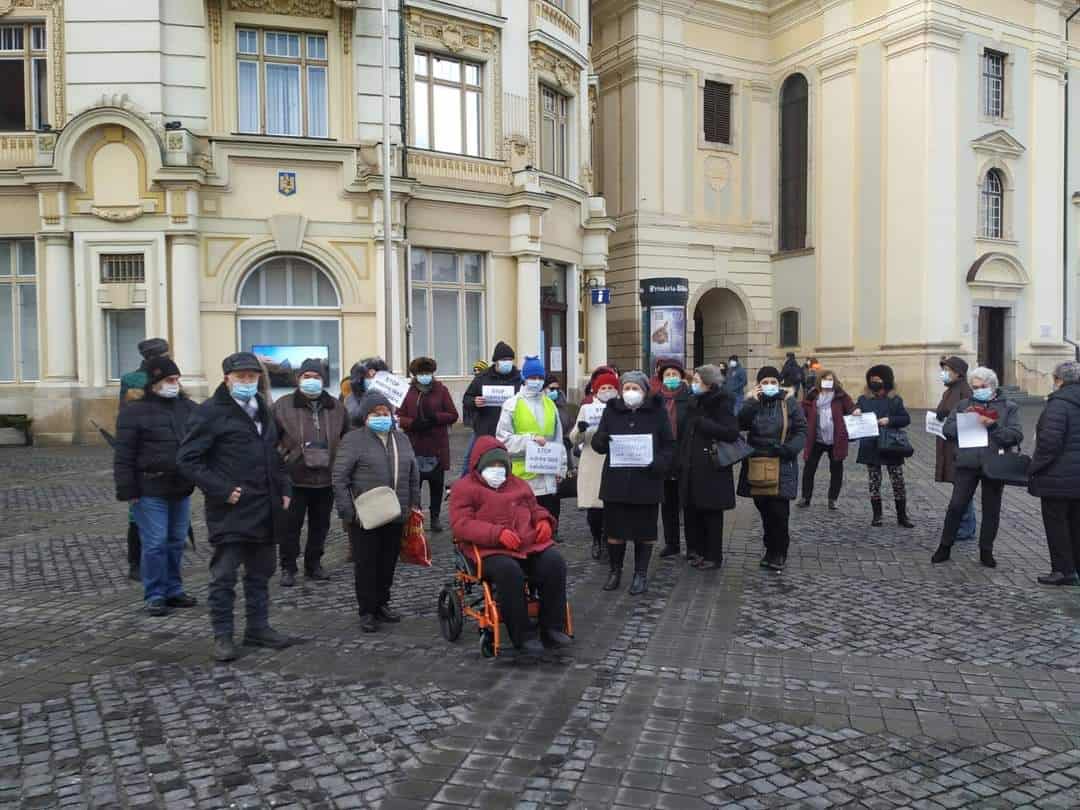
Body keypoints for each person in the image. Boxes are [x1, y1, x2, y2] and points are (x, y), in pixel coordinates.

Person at [177, 352, 293, 663]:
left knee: (260, 573)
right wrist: (222, 490)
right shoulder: (210, 413)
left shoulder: (263, 411)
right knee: (224, 576)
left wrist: (284, 488)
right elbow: (188, 460)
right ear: (227, 378)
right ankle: (223, 636)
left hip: (265, 506)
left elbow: (274, 455)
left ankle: (258, 628)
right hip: (231, 508)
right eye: (240, 377)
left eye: (251, 377)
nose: (246, 382)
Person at [450, 437, 569, 659]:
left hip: (526, 544)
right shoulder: (464, 488)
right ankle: (522, 635)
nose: (496, 470)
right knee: (509, 572)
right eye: (491, 466)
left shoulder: (519, 484)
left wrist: (544, 521)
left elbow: (535, 509)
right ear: (479, 465)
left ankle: (552, 626)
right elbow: (461, 525)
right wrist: (497, 534)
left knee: (554, 562)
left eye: (500, 466)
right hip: (488, 550)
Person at [114, 355, 199, 616]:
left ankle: (173, 590)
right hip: (149, 488)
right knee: (154, 542)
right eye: (168, 380)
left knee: (175, 541)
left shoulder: (189, 409)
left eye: (176, 379)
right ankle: (155, 594)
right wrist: (127, 489)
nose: (174, 384)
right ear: (154, 382)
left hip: (180, 486)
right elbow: (124, 455)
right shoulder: (133, 412)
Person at [332, 392, 420, 632]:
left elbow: (413, 473)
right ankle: (367, 610)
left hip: (396, 512)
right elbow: (340, 478)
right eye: (375, 413)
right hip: (365, 515)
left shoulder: (401, 439)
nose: (382, 416)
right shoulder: (353, 440)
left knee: (388, 561)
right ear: (365, 416)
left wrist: (414, 503)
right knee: (366, 564)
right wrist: (348, 512)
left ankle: (382, 603)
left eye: (385, 412)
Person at [592, 370, 676, 595]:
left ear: (645, 391)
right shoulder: (611, 411)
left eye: (635, 388)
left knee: (644, 531)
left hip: (646, 481)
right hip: (616, 481)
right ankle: (615, 571)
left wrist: (658, 462)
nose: (630, 392)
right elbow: (599, 444)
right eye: (626, 388)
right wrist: (600, 439)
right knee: (614, 530)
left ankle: (640, 574)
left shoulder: (657, 413)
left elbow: (669, 446)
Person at [932, 367, 1023, 568]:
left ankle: (986, 551)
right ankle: (945, 546)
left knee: (991, 509)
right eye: (975, 387)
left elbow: (1015, 435)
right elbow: (947, 430)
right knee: (956, 505)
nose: (978, 390)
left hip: (995, 465)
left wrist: (992, 425)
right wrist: (966, 423)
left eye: (982, 386)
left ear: (992, 386)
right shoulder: (964, 404)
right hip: (967, 462)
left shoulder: (1009, 407)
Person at [271, 358, 349, 587]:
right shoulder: (282, 405)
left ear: (323, 380)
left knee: (321, 526)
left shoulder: (337, 407)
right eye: (307, 377)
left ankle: (314, 564)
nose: (311, 381)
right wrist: (284, 457)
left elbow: (347, 435)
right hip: (293, 478)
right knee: (290, 527)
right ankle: (288, 567)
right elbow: (270, 440)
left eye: (316, 377)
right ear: (298, 379)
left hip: (326, 479)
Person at [738, 366, 807, 571]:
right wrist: (751, 402)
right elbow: (740, 424)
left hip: (782, 462)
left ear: (779, 383)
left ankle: (780, 552)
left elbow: (801, 429)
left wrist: (789, 449)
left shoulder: (789, 402)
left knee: (779, 512)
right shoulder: (753, 402)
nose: (769, 386)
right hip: (757, 463)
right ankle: (769, 549)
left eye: (772, 382)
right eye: (765, 382)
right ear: (759, 385)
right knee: (765, 510)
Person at [118, 337, 171, 581]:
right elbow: (127, 413)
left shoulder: (169, 377)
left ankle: (142, 563)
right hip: (143, 452)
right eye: (164, 353)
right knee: (137, 515)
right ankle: (135, 562)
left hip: (165, 450)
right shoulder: (133, 380)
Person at [679, 365, 739, 569]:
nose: (693, 384)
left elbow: (731, 432)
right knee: (694, 511)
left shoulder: (721, 402)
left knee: (711, 514)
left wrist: (703, 423)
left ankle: (714, 556)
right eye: (693, 380)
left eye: (697, 380)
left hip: (712, 467)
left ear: (709, 383)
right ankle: (698, 551)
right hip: (692, 465)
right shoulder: (693, 401)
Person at [496, 356, 566, 525]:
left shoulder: (550, 404)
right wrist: (530, 440)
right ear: (524, 378)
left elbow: (558, 439)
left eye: (540, 378)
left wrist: (561, 468)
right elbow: (502, 440)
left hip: (548, 477)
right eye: (533, 377)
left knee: (547, 527)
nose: (537, 381)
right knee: (524, 528)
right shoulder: (511, 404)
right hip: (522, 479)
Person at [1030, 362, 1080, 585]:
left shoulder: (1058, 404)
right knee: (1076, 524)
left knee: (1057, 525)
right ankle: (1075, 568)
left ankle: (1063, 570)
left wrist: (1034, 467)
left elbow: (1049, 442)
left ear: (1059, 379)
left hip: (1057, 477)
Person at [398, 356, 458, 533]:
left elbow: (453, 414)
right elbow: (399, 416)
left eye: (428, 373)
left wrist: (436, 418)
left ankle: (435, 517)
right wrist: (412, 423)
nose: (425, 376)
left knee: (436, 486)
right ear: (415, 375)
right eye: (422, 373)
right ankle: (415, 518)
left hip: (436, 446)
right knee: (414, 487)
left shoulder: (441, 390)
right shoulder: (407, 392)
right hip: (414, 446)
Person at [855, 365, 914, 528]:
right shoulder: (863, 399)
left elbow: (905, 419)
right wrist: (856, 413)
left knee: (898, 480)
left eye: (878, 380)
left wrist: (890, 420)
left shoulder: (895, 399)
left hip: (891, 445)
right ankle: (877, 515)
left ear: (887, 381)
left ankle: (902, 516)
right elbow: (855, 416)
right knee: (874, 481)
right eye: (872, 380)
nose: (874, 383)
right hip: (871, 444)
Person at [570, 369, 620, 560]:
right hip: (591, 460)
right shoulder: (587, 409)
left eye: (610, 387)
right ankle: (596, 539)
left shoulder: (621, 408)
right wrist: (581, 430)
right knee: (594, 507)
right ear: (596, 390)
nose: (607, 390)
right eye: (603, 387)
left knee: (611, 507)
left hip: (614, 460)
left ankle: (609, 540)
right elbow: (574, 438)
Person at [798, 370, 856, 510]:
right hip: (816, 439)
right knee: (809, 469)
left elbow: (851, 407)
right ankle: (805, 497)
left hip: (836, 440)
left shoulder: (841, 396)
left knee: (836, 470)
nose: (828, 382)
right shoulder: (813, 396)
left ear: (834, 381)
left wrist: (856, 411)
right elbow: (801, 410)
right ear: (820, 381)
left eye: (830, 379)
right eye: (825, 379)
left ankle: (833, 499)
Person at [461, 342, 522, 477]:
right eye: (503, 360)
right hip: (486, 428)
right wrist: (474, 401)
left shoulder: (519, 378)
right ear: (496, 362)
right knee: (474, 461)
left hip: (511, 429)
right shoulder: (482, 377)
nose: (507, 363)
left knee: (507, 464)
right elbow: (467, 399)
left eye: (509, 360)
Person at [935, 356, 977, 541]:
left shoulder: (964, 391)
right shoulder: (949, 390)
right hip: (949, 444)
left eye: (947, 370)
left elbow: (968, 420)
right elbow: (944, 410)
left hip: (959, 447)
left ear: (958, 372)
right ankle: (963, 524)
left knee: (963, 488)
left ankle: (967, 526)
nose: (944, 374)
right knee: (959, 486)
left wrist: (948, 417)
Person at [654, 359, 692, 558]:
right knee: (667, 504)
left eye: (674, 375)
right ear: (661, 378)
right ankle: (672, 543)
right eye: (667, 375)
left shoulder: (690, 396)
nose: (671, 378)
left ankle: (692, 546)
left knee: (687, 503)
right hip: (664, 457)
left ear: (681, 376)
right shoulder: (656, 399)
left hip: (684, 455)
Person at [342, 356, 389, 424]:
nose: (373, 380)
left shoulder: (388, 395)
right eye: (369, 377)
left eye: (376, 376)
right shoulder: (351, 398)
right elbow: (355, 417)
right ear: (360, 379)